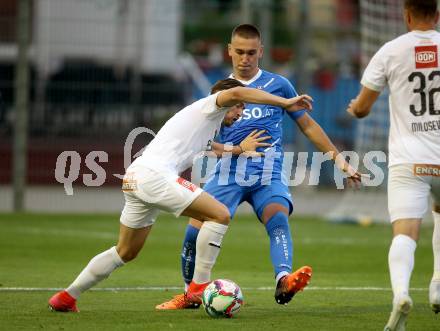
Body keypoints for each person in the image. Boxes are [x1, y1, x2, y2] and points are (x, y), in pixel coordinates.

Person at [47, 78, 313, 312]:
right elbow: (235, 94)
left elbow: (212, 147)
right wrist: (287, 101)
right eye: (239, 108)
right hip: (153, 176)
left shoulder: (204, 124)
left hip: (135, 178)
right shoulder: (210, 105)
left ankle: (66, 297)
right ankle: (198, 286)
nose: (240, 114)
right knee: (219, 214)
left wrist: (239, 148)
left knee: (125, 251)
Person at [157, 23, 361, 310]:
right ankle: (189, 294)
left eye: (251, 52)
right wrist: (237, 149)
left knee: (278, 218)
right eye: (239, 51)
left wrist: (339, 159)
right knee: (193, 231)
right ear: (229, 51)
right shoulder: (220, 92)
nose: (245, 58)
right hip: (227, 175)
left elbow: (308, 125)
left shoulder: (279, 85)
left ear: (261, 52)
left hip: (268, 175)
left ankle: (284, 279)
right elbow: (203, 142)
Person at [346, 1, 440, 330]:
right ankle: (438, 285)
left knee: (405, 231)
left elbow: (363, 107)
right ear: (439, 15)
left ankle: (401, 293)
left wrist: (355, 108)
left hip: (409, 159)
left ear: (406, 14)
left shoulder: (390, 50)